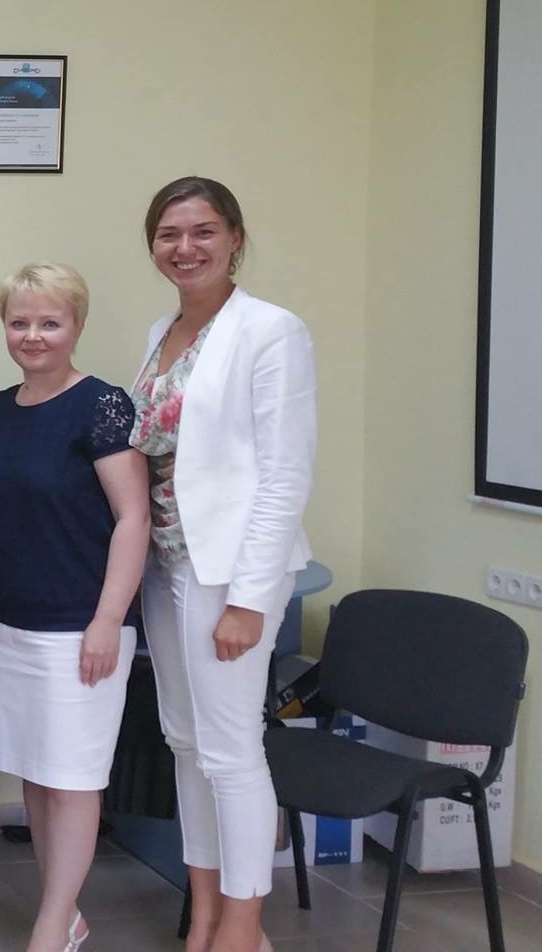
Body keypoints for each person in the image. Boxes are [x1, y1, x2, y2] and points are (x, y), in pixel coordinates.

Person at [128, 177, 315, 952]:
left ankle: (244, 926)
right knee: (185, 743)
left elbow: (284, 477)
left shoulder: (271, 331)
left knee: (232, 753)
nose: (186, 247)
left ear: (235, 238)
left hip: (230, 574)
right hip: (167, 568)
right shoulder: (161, 332)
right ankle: (203, 914)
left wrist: (249, 599)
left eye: (203, 231)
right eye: (169, 234)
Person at [0, 263, 150, 952]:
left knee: (71, 781)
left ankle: (51, 925)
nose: (33, 335)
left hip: (79, 626)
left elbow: (133, 518)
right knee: (38, 775)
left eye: (50, 322)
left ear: (77, 326)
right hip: (10, 621)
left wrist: (108, 620)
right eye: (20, 322)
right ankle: (61, 909)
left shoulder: (102, 405)